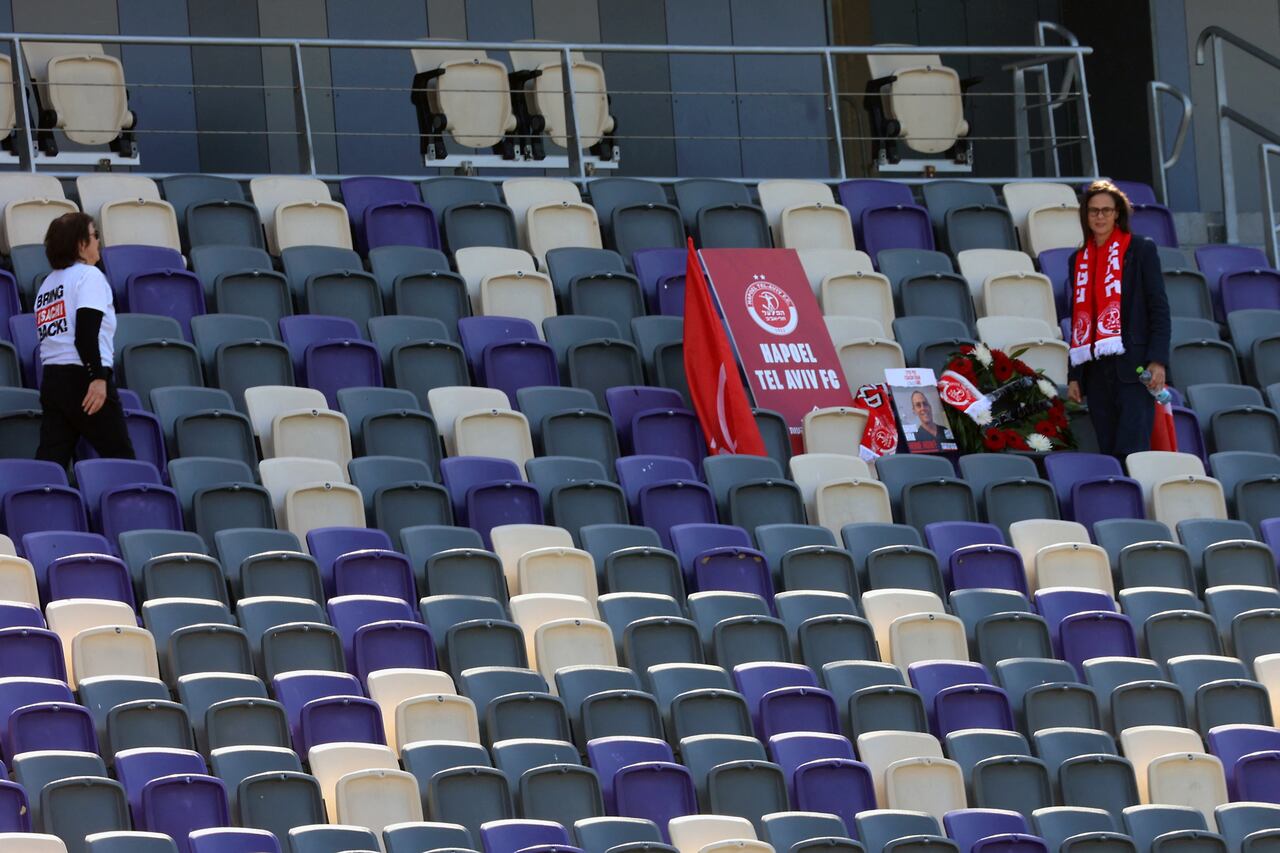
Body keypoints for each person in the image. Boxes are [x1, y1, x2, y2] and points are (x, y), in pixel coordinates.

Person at [1066, 180, 1170, 459]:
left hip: (1134, 370)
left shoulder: (1140, 250)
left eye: (1106, 211)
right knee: (1109, 452)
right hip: (1097, 372)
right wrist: (1074, 375)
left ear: (1117, 214)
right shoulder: (1078, 259)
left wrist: (1157, 360)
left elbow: (1158, 307)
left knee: (1133, 452)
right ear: (1085, 216)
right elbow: (1078, 318)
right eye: (1093, 211)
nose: (1100, 217)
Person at [34, 212, 134, 467]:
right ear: (81, 243)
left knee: (51, 462)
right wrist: (98, 377)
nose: (98, 241)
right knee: (123, 461)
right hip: (84, 379)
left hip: (52, 381)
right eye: (95, 235)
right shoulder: (89, 276)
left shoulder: (46, 287)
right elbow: (85, 334)